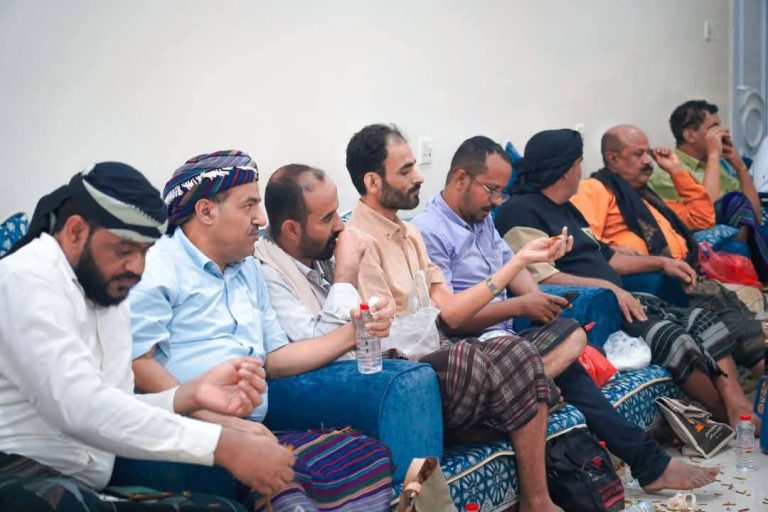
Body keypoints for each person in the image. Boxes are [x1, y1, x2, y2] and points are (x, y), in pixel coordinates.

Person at [410, 134, 718, 491]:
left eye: (501, 193)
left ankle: (525, 392)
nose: (495, 202)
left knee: (569, 333)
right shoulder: (429, 231)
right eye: (491, 190)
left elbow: (514, 268)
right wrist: (521, 305)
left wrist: (539, 301)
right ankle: (646, 462)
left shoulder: (481, 220)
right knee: (568, 359)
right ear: (460, 178)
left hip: (506, 341)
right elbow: (449, 319)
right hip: (470, 352)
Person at [0, 162, 295, 511]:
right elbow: (80, 407)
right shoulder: (26, 279)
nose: (137, 268)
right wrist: (221, 444)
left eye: (144, 252)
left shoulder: (107, 289)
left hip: (83, 485)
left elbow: (116, 404)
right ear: (76, 231)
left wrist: (189, 395)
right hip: (18, 475)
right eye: (125, 250)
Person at [128, 151, 394, 512]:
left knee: (363, 454)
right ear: (206, 211)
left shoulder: (248, 268)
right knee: (284, 485)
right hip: (191, 426)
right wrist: (218, 423)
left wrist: (356, 331)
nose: (261, 219)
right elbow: (138, 365)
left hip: (253, 425)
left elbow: (275, 359)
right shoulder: (157, 265)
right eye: (249, 205)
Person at [343, 123, 579, 512]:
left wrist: (522, 266)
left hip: (443, 351)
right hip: (407, 371)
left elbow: (449, 309)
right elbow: (389, 336)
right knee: (485, 357)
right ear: (372, 181)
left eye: (414, 166)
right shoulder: (357, 242)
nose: (419, 177)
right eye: (406, 170)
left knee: (516, 351)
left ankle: (537, 500)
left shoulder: (409, 234)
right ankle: (526, 401)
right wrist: (517, 263)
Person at [495, 129, 765, 432]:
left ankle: (739, 407)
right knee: (673, 338)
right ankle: (726, 417)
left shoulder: (567, 209)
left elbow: (608, 258)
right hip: (596, 309)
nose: (581, 171)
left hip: (622, 298)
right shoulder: (520, 211)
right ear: (566, 169)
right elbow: (544, 276)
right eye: (579, 163)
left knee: (703, 319)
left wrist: (661, 262)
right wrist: (610, 289)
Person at [572, 124, 765, 353]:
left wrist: (676, 170)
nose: (648, 161)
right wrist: (615, 248)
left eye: (648, 153)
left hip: (684, 275)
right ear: (613, 158)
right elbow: (586, 242)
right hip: (652, 284)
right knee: (745, 330)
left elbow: (703, 218)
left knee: (750, 322)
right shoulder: (595, 189)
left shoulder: (648, 198)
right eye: (638, 154)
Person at [648, 100, 768, 280]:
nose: (723, 133)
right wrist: (713, 155)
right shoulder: (667, 170)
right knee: (733, 201)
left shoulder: (721, 167)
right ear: (689, 134)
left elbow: (755, 216)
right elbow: (706, 215)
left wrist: (740, 167)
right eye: (713, 128)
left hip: (743, 232)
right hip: (694, 236)